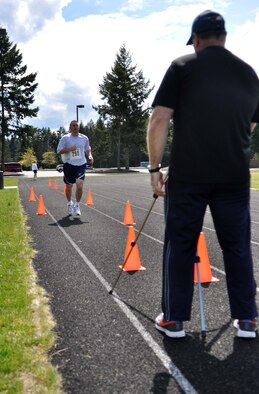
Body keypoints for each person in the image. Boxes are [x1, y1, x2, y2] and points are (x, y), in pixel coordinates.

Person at [147, 10, 259, 339]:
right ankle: (248, 319)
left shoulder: (183, 66)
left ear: (196, 39)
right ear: (223, 37)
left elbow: (159, 119)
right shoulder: (250, 74)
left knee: (180, 245)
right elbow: (249, 125)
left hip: (189, 175)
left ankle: (174, 319)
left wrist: (154, 168)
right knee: (237, 247)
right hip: (234, 177)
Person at [57, 120, 93, 217]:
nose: (75, 127)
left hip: (81, 164)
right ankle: (69, 203)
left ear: (79, 127)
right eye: (73, 125)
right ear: (70, 127)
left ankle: (77, 205)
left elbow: (87, 148)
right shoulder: (65, 138)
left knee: (80, 185)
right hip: (69, 164)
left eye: (76, 125)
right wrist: (69, 149)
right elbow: (59, 150)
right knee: (69, 187)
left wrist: (90, 156)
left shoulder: (84, 138)